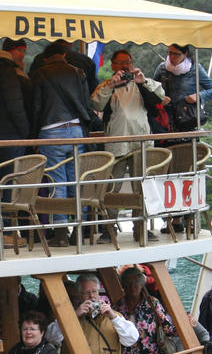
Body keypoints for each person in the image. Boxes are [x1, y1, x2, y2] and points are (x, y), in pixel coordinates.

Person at [30, 41, 100, 248]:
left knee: (57, 181)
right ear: (63, 55)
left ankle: (60, 232)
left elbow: (36, 108)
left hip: (52, 131)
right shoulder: (78, 73)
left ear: (47, 56)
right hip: (77, 131)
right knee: (76, 180)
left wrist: (33, 136)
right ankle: (80, 229)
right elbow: (87, 106)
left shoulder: (40, 74)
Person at [91, 49, 165, 177]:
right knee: (113, 183)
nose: (124, 66)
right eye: (120, 63)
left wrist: (143, 81)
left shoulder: (143, 82)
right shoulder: (106, 85)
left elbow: (160, 96)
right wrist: (111, 85)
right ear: (113, 65)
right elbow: (96, 104)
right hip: (117, 140)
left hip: (142, 140)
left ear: (132, 64)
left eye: (128, 62)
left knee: (142, 182)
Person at [153, 43, 212, 134]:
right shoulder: (162, 68)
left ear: (185, 54)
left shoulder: (195, 68)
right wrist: (159, 98)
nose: (172, 57)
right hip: (165, 120)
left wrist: (198, 96)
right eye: (170, 53)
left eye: (176, 54)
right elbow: (152, 90)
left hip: (187, 120)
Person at [29, 39, 99, 93]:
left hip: (47, 109)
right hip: (77, 109)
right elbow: (93, 89)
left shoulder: (39, 59)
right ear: (71, 42)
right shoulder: (86, 61)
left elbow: (32, 86)